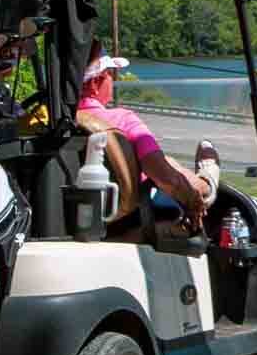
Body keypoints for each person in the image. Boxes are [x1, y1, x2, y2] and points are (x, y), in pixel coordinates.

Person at [76, 44, 219, 225]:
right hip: (131, 217)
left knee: (170, 161)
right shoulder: (122, 119)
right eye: (111, 74)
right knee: (181, 171)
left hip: (79, 216)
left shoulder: (54, 120)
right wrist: (193, 200)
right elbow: (162, 174)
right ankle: (209, 180)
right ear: (96, 83)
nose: (113, 80)